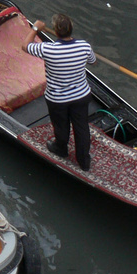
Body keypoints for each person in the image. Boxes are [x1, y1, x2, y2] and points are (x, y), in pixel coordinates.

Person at [24, 14, 96, 172]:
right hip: (81, 95)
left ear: (56, 32)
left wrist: (36, 28)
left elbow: (25, 46)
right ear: (71, 30)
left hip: (58, 99)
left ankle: (61, 149)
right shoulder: (84, 46)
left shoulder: (48, 49)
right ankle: (84, 161)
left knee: (61, 125)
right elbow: (93, 61)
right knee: (81, 127)